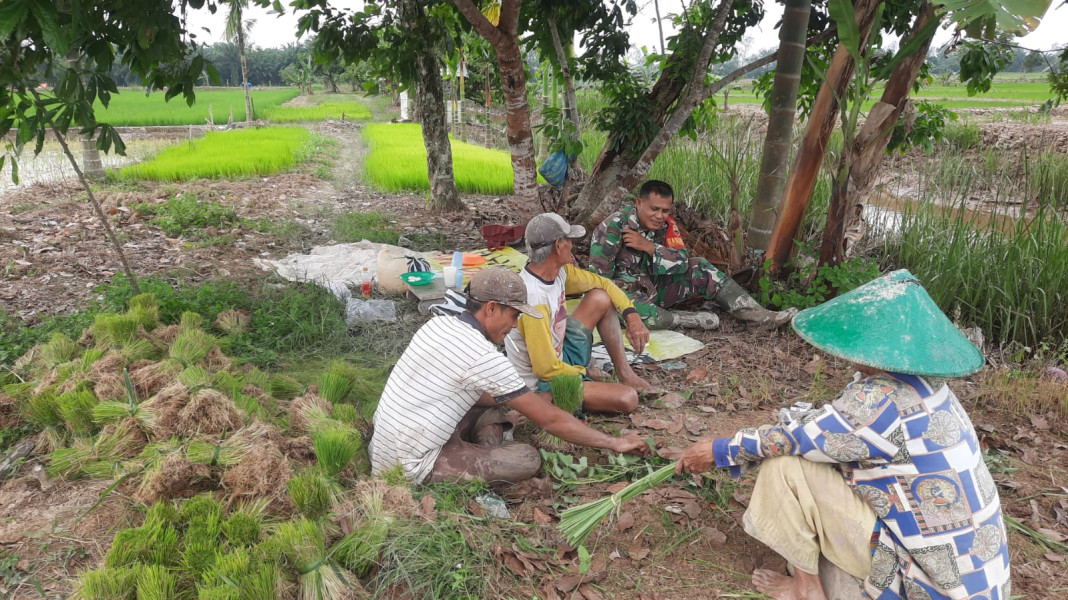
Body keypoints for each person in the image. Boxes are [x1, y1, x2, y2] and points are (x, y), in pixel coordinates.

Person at [676, 270, 1007, 600]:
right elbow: (834, 429)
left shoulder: (880, 401)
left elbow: (792, 440)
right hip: (979, 583)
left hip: (930, 584)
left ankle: (806, 588)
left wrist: (717, 450)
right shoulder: (930, 386)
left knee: (784, 466)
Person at [369, 268, 650, 485]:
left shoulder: (439, 325)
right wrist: (614, 442)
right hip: (411, 465)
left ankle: (478, 443)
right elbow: (550, 419)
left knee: (495, 407)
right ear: (491, 308)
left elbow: (466, 391)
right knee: (526, 457)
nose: (514, 325)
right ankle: (478, 449)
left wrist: (530, 398)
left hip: (385, 449)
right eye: (513, 316)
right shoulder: (482, 355)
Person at [588, 179, 796, 330]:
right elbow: (599, 283)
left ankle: (758, 317)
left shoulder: (665, 226)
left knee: (701, 267)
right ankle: (683, 319)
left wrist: (651, 248)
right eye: (654, 209)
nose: (660, 216)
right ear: (639, 203)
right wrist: (629, 306)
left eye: (665, 210)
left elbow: (682, 263)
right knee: (649, 316)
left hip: (653, 287)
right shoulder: (614, 227)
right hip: (625, 295)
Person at [504, 213, 656, 416]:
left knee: (601, 298)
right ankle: (551, 399)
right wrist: (585, 372)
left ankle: (625, 373)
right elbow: (545, 369)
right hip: (543, 380)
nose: (572, 246)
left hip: (558, 352)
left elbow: (603, 283)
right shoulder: (534, 301)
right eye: (569, 241)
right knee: (627, 398)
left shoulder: (559, 272)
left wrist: (631, 316)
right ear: (558, 246)